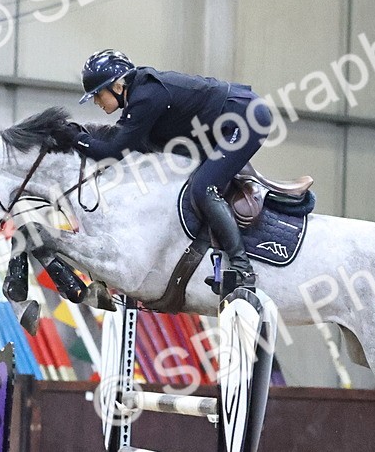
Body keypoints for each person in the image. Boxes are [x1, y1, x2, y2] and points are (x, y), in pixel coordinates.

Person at [62, 49, 272, 292]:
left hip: (245, 117)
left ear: (118, 87)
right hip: (223, 123)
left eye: (98, 95)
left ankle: (243, 269)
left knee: (204, 188)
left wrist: (75, 138)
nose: (97, 102)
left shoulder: (145, 98)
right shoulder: (138, 95)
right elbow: (129, 143)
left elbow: (112, 152)